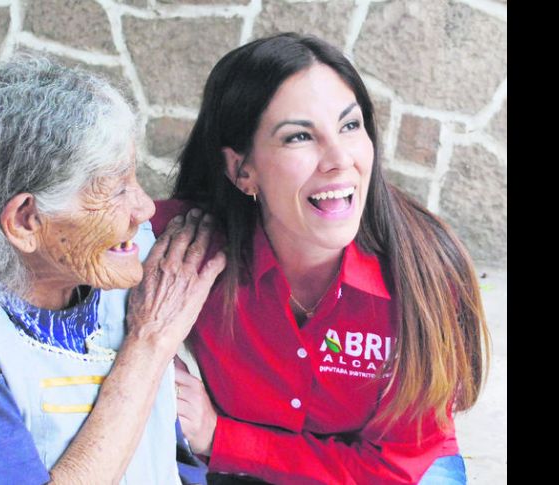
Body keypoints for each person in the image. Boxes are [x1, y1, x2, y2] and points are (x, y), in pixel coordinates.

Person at [0, 56, 225, 484]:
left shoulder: (126, 258)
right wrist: (148, 347)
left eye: (135, 177)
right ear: (24, 221)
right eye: (117, 188)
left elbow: (165, 451)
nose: (145, 208)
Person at [154, 32, 489, 484]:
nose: (339, 159)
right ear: (241, 169)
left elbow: (391, 470)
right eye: (299, 136)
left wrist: (221, 437)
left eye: (350, 126)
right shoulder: (190, 243)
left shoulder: (426, 272)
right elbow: (77, 242)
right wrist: (145, 353)